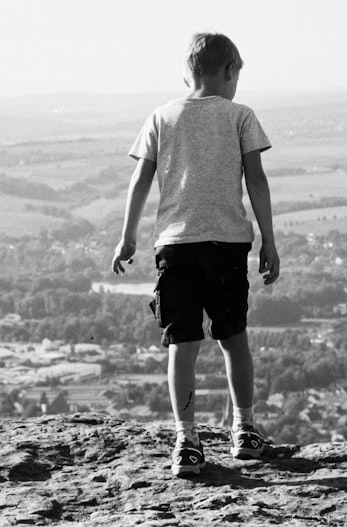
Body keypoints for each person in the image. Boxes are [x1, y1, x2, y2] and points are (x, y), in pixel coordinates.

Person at [110, 32, 280, 477]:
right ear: (229, 71)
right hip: (226, 244)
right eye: (237, 76)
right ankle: (244, 430)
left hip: (175, 246)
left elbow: (140, 181)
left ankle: (187, 441)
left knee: (181, 345)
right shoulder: (240, 116)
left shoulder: (161, 117)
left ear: (188, 72)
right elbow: (256, 181)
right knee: (233, 339)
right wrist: (269, 239)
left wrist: (127, 236)